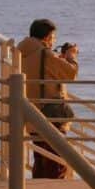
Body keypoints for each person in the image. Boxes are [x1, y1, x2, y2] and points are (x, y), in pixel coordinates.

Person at [17, 19, 79, 179]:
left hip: (31, 113)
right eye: (53, 37)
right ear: (46, 37)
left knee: (41, 157)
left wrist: (58, 58)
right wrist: (71, 57)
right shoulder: (46, 54)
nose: (53, 41)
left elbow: (42, 70)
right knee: (57, 160)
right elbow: (70, 73)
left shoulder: (22, 52)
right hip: (49, 114)